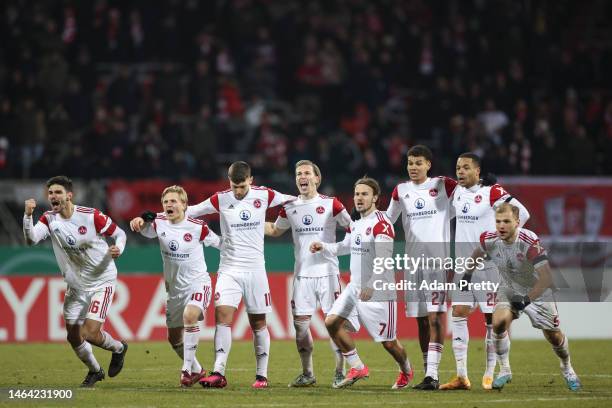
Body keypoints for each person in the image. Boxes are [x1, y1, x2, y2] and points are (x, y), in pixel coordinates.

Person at [187, 161, 294, 389]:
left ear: (251, 180)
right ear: (229, 182)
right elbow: (190, 210)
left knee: (258, 323)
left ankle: (261, 376)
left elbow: (292, 199)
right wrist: (153, 217)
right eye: (234, 186)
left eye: (242, 186)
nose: (237, 191)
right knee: (222, 317)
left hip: (256, 271)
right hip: (229, 270)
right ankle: (219, 372)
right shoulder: (220, 198)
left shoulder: (264, 195)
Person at [22, 176, 128, 387]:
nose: (53, 196)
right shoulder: (49, 219)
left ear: (69, 195)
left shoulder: (91, 216)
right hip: (76, 285)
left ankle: (118, 348)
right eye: (51, 193)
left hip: (102, 280)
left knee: (89, 333)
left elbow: (120, 233)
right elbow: (31, 239)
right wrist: (27, 216)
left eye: (58, 192)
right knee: (73, 336)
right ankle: (95, 371)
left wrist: (119, 248)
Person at [463, 203, 581, 391]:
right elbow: (477, 254)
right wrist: (467, 275)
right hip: (509, 288)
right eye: (498, 221)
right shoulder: (489, 239)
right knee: (498, 323)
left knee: (554, 336)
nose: (501, 226)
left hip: (538, 292)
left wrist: (526, 299)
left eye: (507, 222)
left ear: (517, 222)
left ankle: (567, 368)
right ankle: (505, 370)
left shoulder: (528, 240)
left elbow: (546, 278)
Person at [311, 177, 413, 389]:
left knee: (389, 342)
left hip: (379, 293)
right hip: (354, 288)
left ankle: (406, 370)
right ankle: (357, 366)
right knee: (331, 322)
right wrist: (324, 246)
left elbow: (384, 260)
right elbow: (344, 247)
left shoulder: (382, 224)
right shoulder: (355, 224)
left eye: (364, 194)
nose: (359, 198)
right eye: (357, 193)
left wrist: (372, 284)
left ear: (375, 198)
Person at [441, 153, 530, 390]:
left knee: (492, 321)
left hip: (489, 266)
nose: (460, 171)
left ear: (477, 171)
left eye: (466, 167)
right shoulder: (457, 194)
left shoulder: (492, 192)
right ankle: (461, 375)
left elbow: (523, 213)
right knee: (458, 313)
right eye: (458, 167)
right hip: (464, 266)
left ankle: (491, 373)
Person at [265, 160, 352, 387]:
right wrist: (248, 223)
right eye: (298, 174)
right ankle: (307, 373)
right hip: (302, 276)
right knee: (301, 326)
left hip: (328, 273)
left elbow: (353, 230)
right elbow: (275, 230)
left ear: (317, 178)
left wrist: (337, 249)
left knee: (334, 325)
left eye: (306, 173)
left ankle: (340, 372)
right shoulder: (290, 206)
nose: (302, 177)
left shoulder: (332, 204)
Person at [129, 185, 221, 387]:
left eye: (173, 201)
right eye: (166, 202)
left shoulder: (198, 227)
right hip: (175, 289)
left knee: (190, 316)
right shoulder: (159, 222)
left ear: (184, 205)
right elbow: (145, 229)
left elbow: (221, 244)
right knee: (173, 339)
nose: (169, 205)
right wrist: (138, 221)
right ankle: (197, 369)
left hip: (199, 283)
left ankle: (186, 370)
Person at [386, 145, 456, 390]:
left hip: (437, 263)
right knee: (421, 320)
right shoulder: (401, 191)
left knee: (435, 316)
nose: (413, 167)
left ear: (428, 164)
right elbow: (387, 222)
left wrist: (484, 186)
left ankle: (433, 375)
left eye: (418, 163)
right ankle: (428, 371)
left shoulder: (443, 186)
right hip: (412, 264)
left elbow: (470, 193)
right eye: (410, 163)